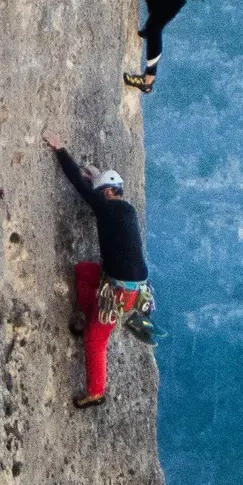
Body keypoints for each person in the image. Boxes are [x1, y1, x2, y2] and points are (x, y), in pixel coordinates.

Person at [43, 131, 153, 408]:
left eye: (99, 192)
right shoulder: (125, 210)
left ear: (106, 193)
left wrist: (61, 150)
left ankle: (96, 391)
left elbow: (78, 185)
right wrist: (97, 178)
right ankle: (89, 314)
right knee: (83, 272)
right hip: (124, 285)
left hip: (119, 293)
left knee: (95, 339)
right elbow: (95, 189)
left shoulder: (107, 209)